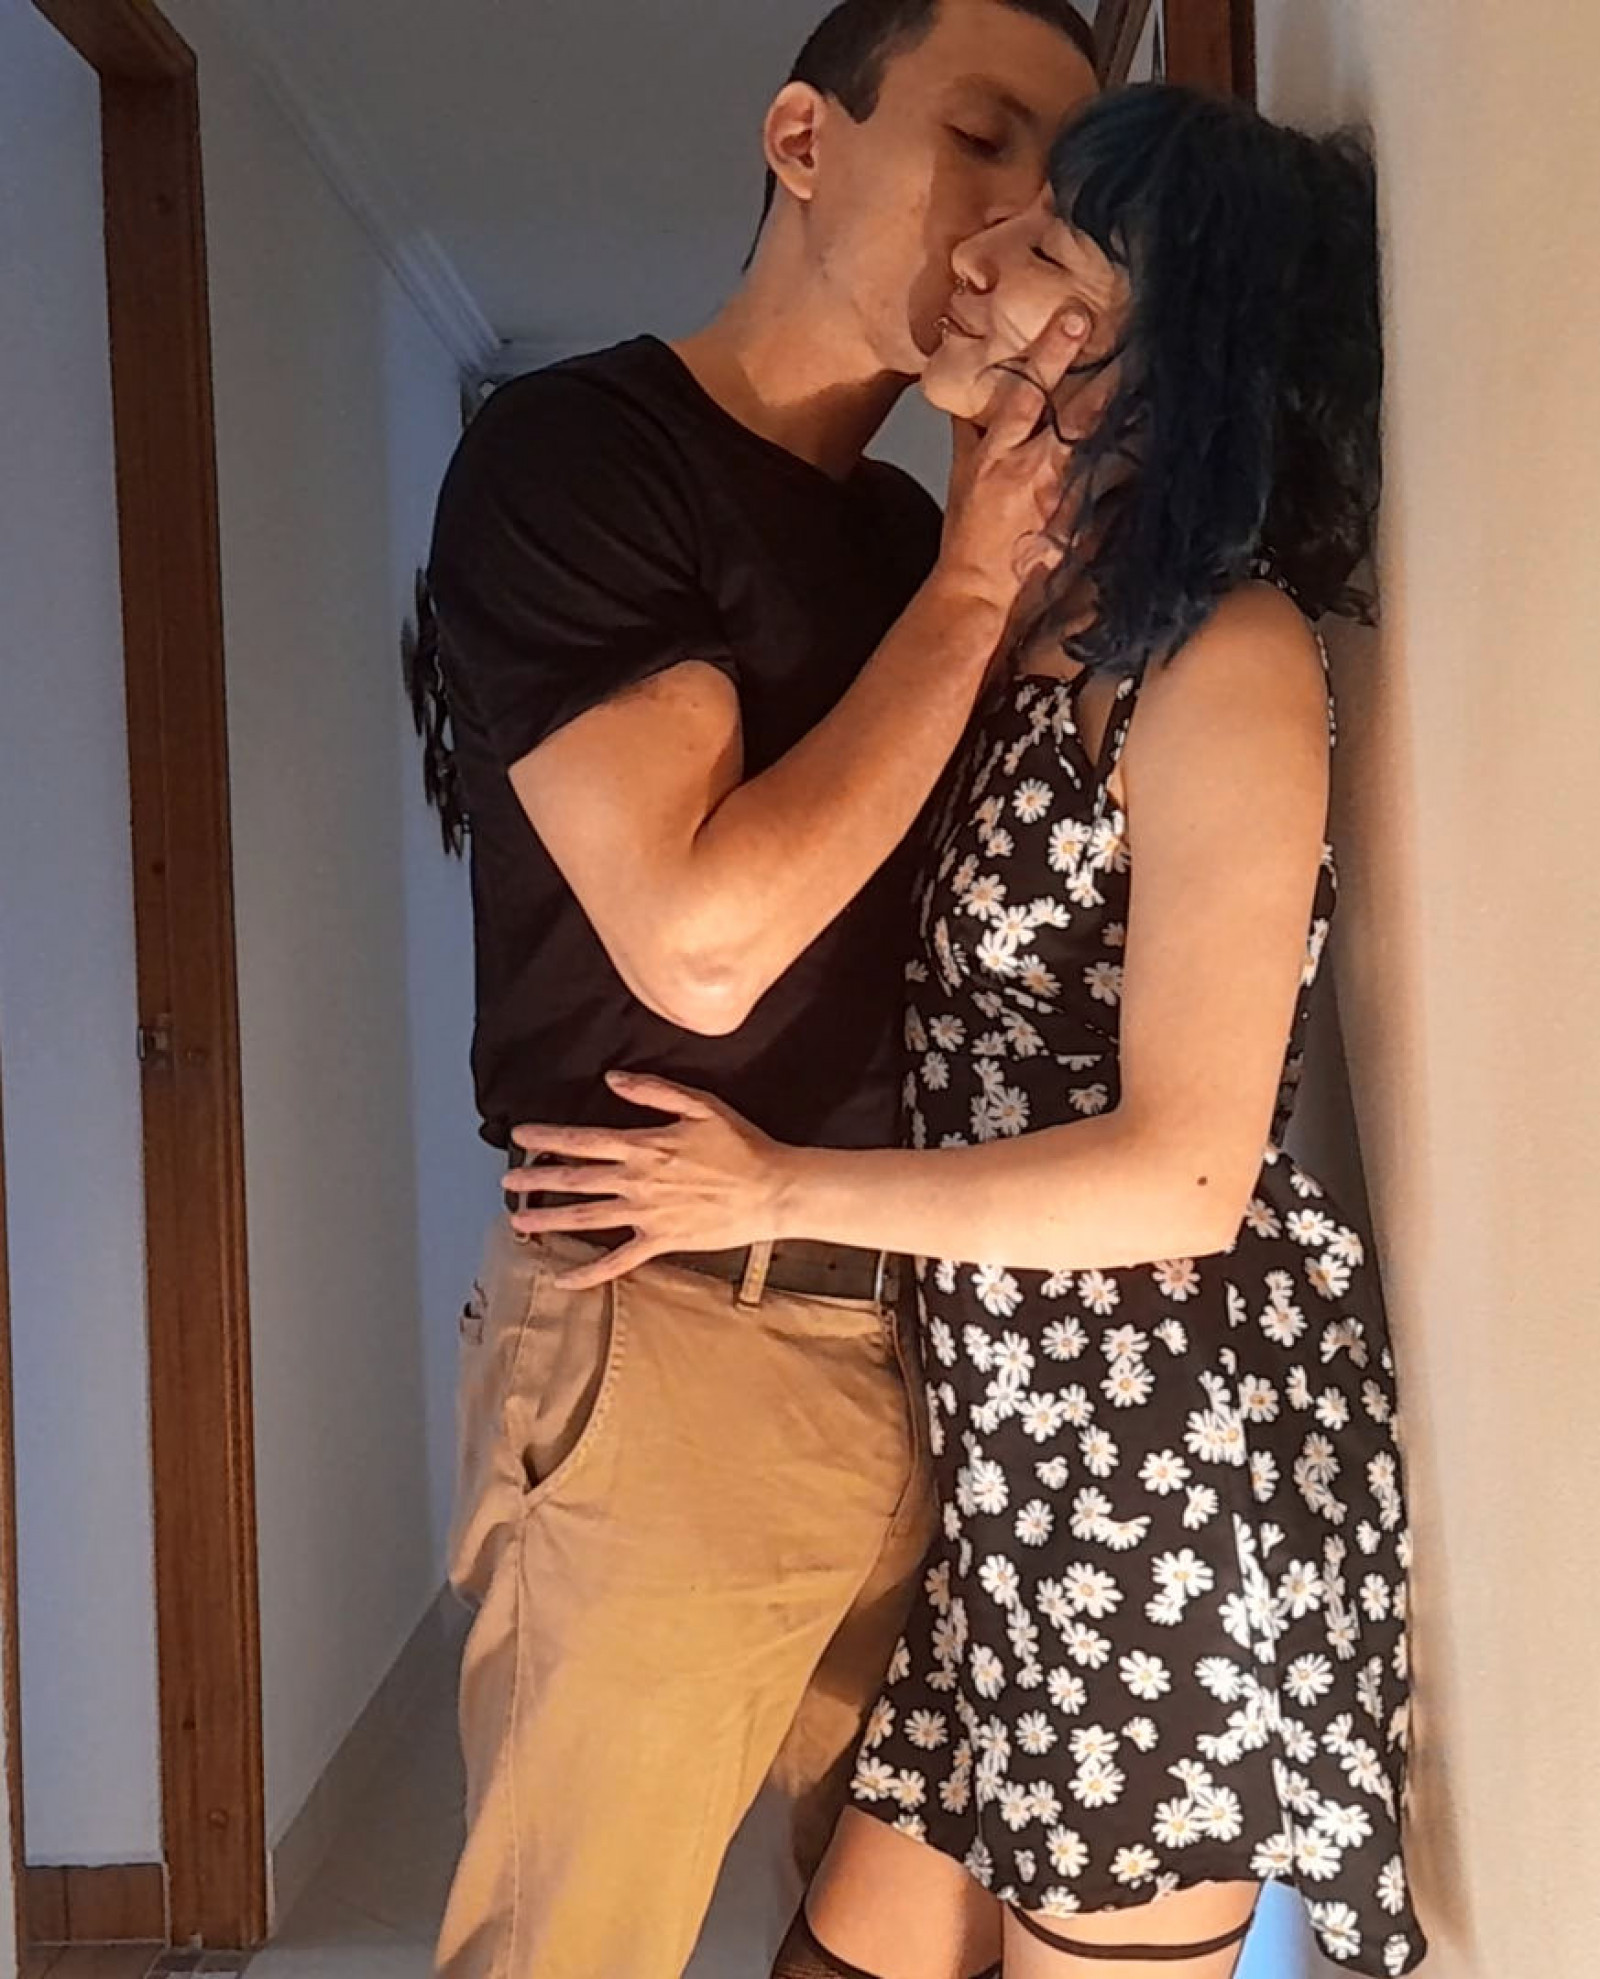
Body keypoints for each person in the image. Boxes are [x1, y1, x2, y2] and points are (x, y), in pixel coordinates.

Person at [508, 85, 1428, 1979]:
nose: (980, 258)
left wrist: (772, 1185)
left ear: (1175, 353)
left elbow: (1186, 1179)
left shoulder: (1227, 657)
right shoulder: (1024, 618)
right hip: (1014, 1461)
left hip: (1148, 1474)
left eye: (1053, 248)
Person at [420, 4, 1100, 1975]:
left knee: (905, 1952)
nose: (1014, 228)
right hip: (676, 1335)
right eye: (979, 137)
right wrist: (973, 589)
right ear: (803, 139)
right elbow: (699, 944)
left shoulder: (908, 529)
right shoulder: (579, 454)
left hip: (943, 1341)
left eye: (1063, 191)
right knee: (576, 1948)